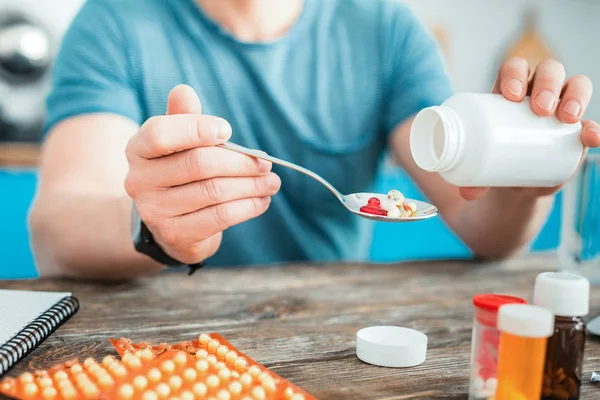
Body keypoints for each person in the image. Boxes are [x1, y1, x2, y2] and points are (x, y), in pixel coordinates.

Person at [29, 0, 599, 280]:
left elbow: (480, 222)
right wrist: (153, 227)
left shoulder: (385, 29)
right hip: (168, 338)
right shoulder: (114, 22)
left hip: (335, 339)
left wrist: (522, 185)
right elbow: (57, 225)